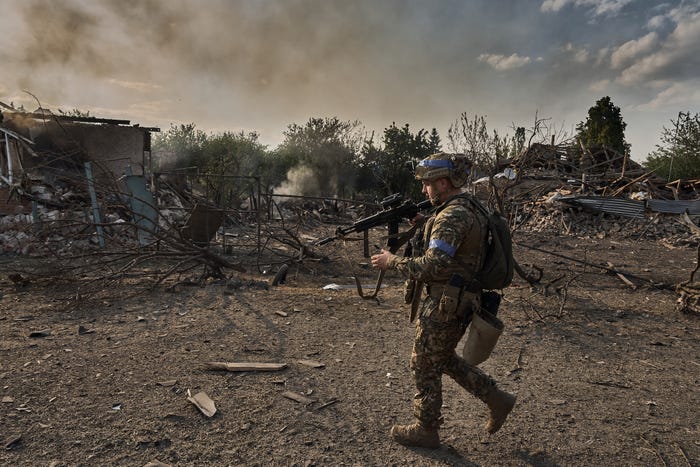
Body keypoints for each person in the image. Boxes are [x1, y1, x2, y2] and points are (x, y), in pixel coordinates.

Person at [371, 152, 516, 449]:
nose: (424, 190)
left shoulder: (452, 215)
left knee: (423, 362)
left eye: (428, 184)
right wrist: (425, 223)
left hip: (446, 302)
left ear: (444, 182)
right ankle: (497, 399)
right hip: (460, 299)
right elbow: (457, 246)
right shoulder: (465, 207)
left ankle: (426, 429)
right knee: (442, 358)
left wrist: (392, 261)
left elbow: (432, 266)